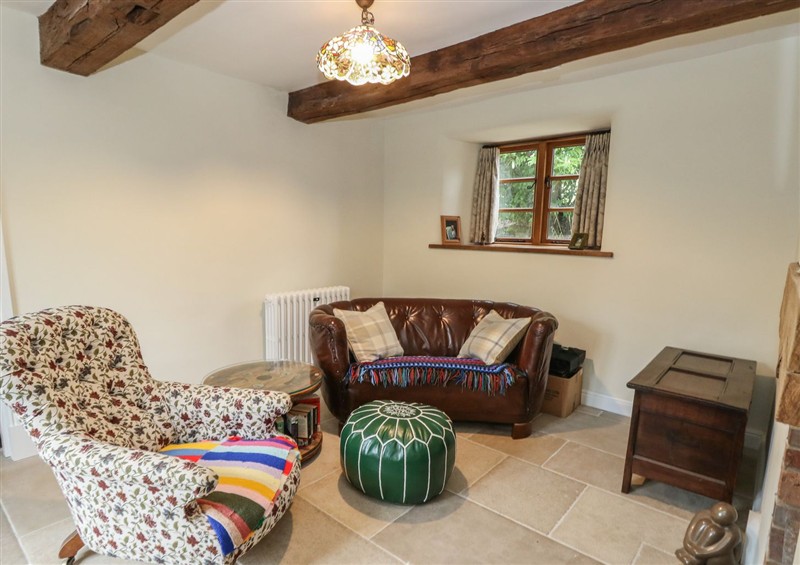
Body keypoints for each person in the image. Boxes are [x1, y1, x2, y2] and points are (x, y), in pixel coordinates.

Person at [676, 502, 742, 565]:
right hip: (698, 550)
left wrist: (699, 553)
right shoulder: (703, 515)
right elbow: (689, 535)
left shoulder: (733, 533)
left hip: (712, 555)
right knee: (704, 523)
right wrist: (690, 547)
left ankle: (698, 560)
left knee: (715, 531)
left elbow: (718, 549)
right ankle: (695, 559)